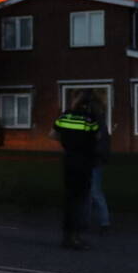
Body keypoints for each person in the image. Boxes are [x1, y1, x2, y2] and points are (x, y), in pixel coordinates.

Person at [52, 90, 99, 250]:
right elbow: (97, 137)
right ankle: (75, 237)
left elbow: (52, 134)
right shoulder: (89, 119)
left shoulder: (64, 116)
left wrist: (67, 142)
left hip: (68, 160)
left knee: (69, 199)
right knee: (80, 200)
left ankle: (67, 236)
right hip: (84, 162)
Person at [88, 99, 112, 236]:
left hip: (93, 162)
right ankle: (99, 221)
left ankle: (104, 222)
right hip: (95, 162)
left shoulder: (96, 124)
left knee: (95, 192)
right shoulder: (100, 123)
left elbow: (98, 145)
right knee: (92, 193)